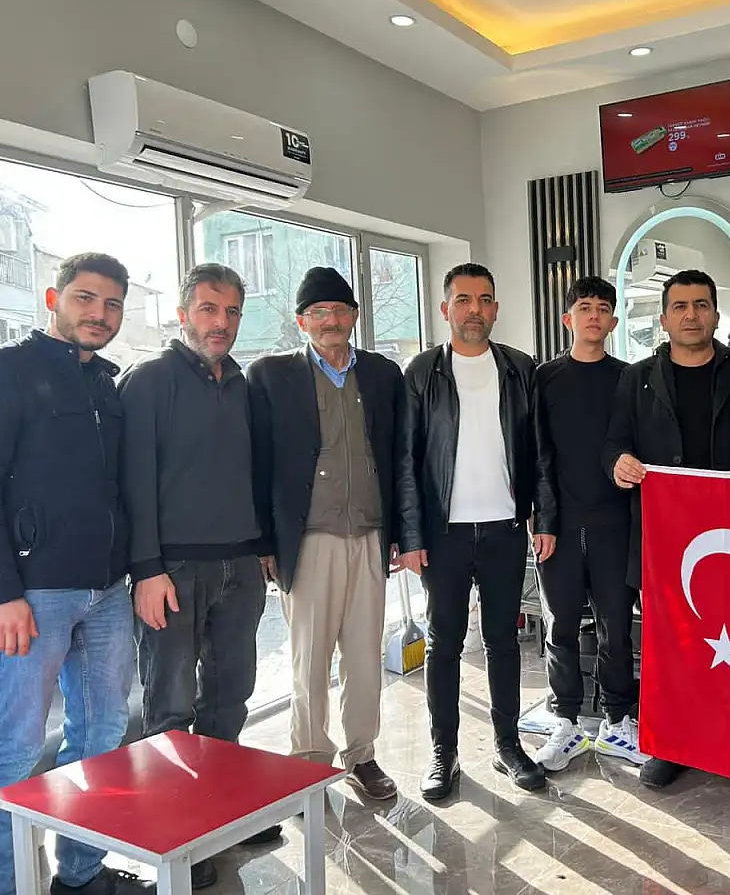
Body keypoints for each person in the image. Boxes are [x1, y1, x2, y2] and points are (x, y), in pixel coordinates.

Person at [0, 253, 150, 895]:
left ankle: (81, 875)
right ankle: (2, 887)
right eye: (86, 298)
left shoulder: (106, 387)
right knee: (14, 751)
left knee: (102, 737)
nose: (100, 313)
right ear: (54, 298)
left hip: (106, 594)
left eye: (112, 304)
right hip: (26, 599)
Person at [118, 263, 278, 890]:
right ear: (184, 313)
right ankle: (178, 836)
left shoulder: (241, 382)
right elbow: (133, 483)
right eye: (209, 309)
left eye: (232, 311)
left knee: (230, 695)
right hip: (173, 570)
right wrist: (146, 569)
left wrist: (263, 547)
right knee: (170, 706)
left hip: (241, 566)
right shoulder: (149, 381)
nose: (221, 322)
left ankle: (222, 814)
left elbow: (255, 471)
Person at [395, 263, 557, 800]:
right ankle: (444, 753)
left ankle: (508, 745)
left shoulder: (519, 369)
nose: (474, 310)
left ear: (495, 308)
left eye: (484, 299)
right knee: (444, 644)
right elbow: (406, 461)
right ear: (446, 309)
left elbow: (540, 453)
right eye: (463, 300)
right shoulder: (422, 372)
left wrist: (544, 518)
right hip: (443, 534)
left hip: (505, 529)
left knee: (503, 641)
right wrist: (411, 536)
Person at [248, 267, 403, 801]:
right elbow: (257, 463)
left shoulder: (382, 374)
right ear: (302, 322)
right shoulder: (270, 375)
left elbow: (397, 456)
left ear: (355, 316)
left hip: (370, 535)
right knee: (309, 659)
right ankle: (309, 762)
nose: (330, 321)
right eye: (318, 313)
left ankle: (362, 755)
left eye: (339, 310)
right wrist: (265, 543)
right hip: (308, 537)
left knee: (363, 656)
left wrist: (401, 531)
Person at [603, 268, 730, 789]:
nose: (692, 315)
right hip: (663, 539)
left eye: (701, 305)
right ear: (664, 319)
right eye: (681, 307)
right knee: (673, 650)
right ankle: (674, 745)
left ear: (716, 314)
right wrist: (618, 462)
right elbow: (614, 441)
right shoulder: (637, 378)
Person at [533, 277, 643, 772]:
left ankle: (618, 720)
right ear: (568, 319)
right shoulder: (544, 379)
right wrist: (542, 518)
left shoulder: (630, 379)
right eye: (584, 307)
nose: (593, 315)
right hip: (557, 523)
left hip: (615, 522)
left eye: (602, 308)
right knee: (559, 626)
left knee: (616, 627)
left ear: (613, 322)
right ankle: (566, 722)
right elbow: (537, 454)